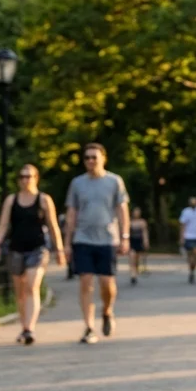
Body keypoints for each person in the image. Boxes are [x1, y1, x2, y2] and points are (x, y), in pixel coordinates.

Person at [0, 164, 65, 344]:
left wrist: (59, 249)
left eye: (28, 176)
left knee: (32, 285)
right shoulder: (11, 200)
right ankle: (24, 326)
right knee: (20, 291)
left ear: (36, 178)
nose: (25, 180)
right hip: (16, 248)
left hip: (38, 248)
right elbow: (3, 224)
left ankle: (30, 328)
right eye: (22, 177)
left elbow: (53, 226)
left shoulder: (44, 200)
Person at [64, 143, 129, 344]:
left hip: (107, 238)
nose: (91, 161)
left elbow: (122, 209)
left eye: (94, 157)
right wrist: (67, 242)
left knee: (107, 283)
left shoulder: (114, 181)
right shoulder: (77, 183)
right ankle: (89, 326)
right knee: (85, 281)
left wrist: (125, 236)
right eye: (87, 158)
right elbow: (72, 213)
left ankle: (107, 311)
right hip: (83, 238)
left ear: (103, 158)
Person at [128, 206, 150, 285]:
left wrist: (146, 241)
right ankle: (132, 275)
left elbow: (144, 232)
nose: (136, 213)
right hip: (132, 242)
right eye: (135, 212)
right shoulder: (129, 221)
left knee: (137, 259)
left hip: (139, 241)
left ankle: (136, 271)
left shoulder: (142, 222)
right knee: (132, 258)